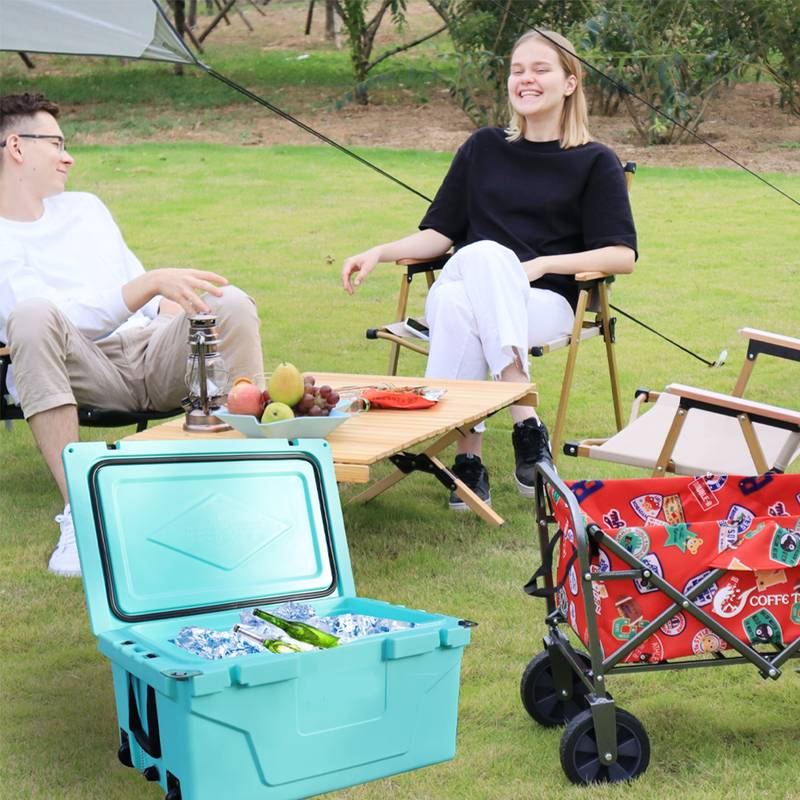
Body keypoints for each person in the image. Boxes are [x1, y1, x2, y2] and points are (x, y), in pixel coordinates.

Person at [341, 29, 636, 512]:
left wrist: (538, 265)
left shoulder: (593, 161)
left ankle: (467, 461)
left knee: (469, 287)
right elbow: (439, 234)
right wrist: (380, 250)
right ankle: (526, 419)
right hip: (480, 291)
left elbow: (621, 255)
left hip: (543, 304)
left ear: (570, 82)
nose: (526, 79)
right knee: (478, 257)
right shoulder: (483, 147)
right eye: (518, 70)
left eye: (541, 69)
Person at [0, 92, 264, 577]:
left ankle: (249, 482)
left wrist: (177, 301)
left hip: (149, 349)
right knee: (34, 315)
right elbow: (62, 318)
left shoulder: (85, 208)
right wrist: (146, 285)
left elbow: (146, 293)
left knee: (229, 301)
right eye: (56, 144)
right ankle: (81, 514)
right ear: (16, 147)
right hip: (79, 366)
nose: (68, 155)